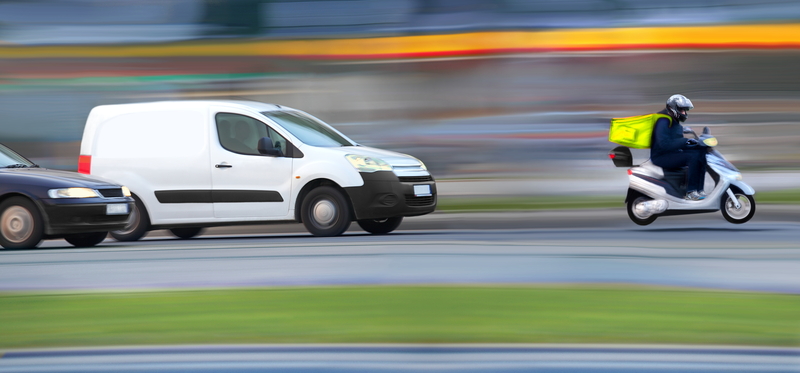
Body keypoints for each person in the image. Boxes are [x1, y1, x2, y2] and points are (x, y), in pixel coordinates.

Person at [650, 94, 707, 201]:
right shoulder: (663, 121)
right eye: (682, 110)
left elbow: (675, 141)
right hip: (661, 157)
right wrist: (685, 141)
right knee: (692, 158)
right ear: (673, 109)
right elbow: (664, 144)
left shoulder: (674, 121)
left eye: (685, 110)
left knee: (700, 152)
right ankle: (691, 192)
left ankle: (699, 190)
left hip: (671, 153)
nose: (684, 113)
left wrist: (693, 143)